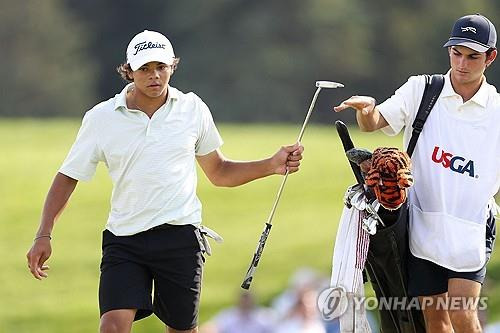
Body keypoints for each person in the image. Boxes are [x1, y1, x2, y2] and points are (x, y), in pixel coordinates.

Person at [26, 30, 304, 333]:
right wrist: (44, 234)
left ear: (172, 66)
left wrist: (271, 164)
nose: (154, 75)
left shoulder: (192, 109)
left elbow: (219, 172)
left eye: (161, 67)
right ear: (129, 71)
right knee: (112, 327)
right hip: (124, 240)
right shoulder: (101, 118)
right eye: (144, 68)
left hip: (180, 238)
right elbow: (68, 177)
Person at [333, 14, 499, 333]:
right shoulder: (422, 89)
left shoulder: (497, 111)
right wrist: (367, 111)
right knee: (435, 318)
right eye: (456, 53)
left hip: (471, 224)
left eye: (473, 56)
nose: (462, 64)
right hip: (424, 221)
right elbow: (375, 123)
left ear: (490, 57)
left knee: (463, 312)